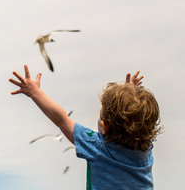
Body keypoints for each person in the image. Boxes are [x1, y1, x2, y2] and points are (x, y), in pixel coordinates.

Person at [9, 65, 162, 190]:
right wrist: (130, 96)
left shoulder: (97, 147)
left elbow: (61, 119)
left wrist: (35, 93)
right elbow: (135, 123)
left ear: (104, 127)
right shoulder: (145, 150)